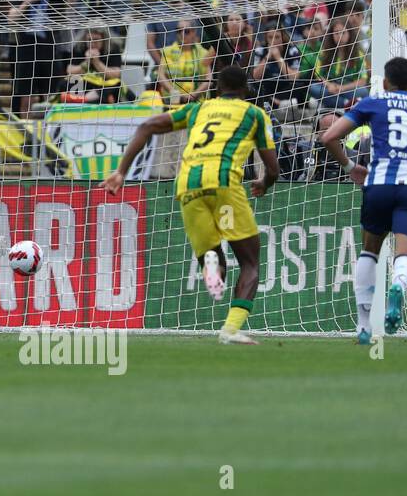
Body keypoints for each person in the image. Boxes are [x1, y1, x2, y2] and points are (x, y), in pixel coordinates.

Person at [104, 66, 279, 345]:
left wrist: (121, 171)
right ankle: (230, 329)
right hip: (224, 184)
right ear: (246, 89)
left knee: (215, 260)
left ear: (217, 88)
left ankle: (211, 263)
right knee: (250, 262)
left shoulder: (198, 109)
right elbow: (273, 167)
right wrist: (265, 183)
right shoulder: (254, 114)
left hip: (187, 185)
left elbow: (147, 126)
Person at [321, 57, 407, 342]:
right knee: (406, 255)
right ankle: (398, 286)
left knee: (370, 251)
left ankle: (365, 326)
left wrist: (349, 167)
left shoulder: (375, 102)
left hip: (379, 184)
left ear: (383, 82)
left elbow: (329, 136)